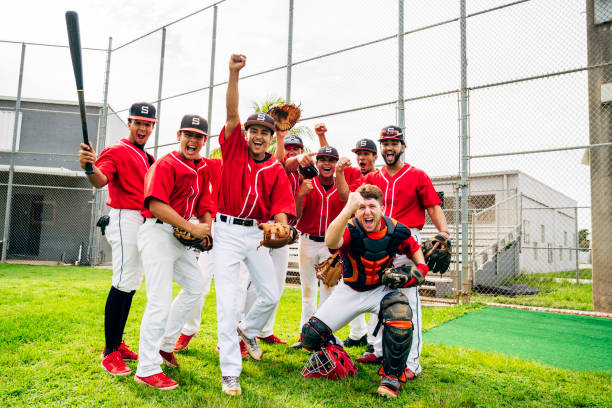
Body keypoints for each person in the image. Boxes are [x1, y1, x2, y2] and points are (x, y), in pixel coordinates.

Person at [214, 54, 296, 396]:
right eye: (254, 130)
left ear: (270, 135)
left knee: (270, 293)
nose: (259, 135)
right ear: (246, 135)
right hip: (226, 232)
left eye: (265, 131)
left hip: (254, 234)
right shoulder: (234, 151)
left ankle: (248, 331)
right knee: (227, 302)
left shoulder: (275, 170)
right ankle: (230, 372)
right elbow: (232, 113)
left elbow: (280, 210)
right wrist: (233, 74)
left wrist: (281, 227)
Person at [299, 184, 429, 398]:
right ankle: (338, 351)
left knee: (400, 315)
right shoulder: (350, 228)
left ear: (382, 208)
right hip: (350, 290)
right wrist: (348, 207)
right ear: (355, 210)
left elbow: (414, 249)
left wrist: (421, 268)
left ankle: (391, 378)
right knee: (310, 337)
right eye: (361, 207)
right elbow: (331, 241)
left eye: (372, 206)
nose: (367, 212)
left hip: (381, 289)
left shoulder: (396, 229)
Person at [358, 125, 450, 382]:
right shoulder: (373, 178)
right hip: (376, 237)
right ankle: (376, 349)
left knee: (408, 300)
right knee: (376, 294)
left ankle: (412, 362)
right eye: (385, 143)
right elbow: (356, 203)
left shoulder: (417, 175)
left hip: (407, 237)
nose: (389, 147)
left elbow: (432, 207)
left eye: (394, 143)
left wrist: (444, 232)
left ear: (402, 147)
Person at [133, 114, 215, 390]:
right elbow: (156, 205)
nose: (193, 140)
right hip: (157, 231)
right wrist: (192, 229)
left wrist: (207, 229)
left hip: (178, 234)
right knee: (159, 299)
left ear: (204, 140)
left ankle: (165, 345)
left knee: (196, 285)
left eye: (198, 136)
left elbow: (205, 204)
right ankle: (146, 368)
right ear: (178, 135)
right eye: (188, 134)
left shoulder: (202, 167)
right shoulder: (166, 163)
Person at [78, 102, 157, 377]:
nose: (143, 128)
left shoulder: (148, 158)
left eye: (148, 124)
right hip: (125, 217)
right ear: (130, 124)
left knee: (132, 283)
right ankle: (109, 352)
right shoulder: (117, 149)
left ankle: (118, 343)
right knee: (123, 282)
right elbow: (100, 180)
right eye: (138, 122)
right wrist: (89, 167)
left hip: (143, 221)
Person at [290, 145, 363, 349]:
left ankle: (322, 335)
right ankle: (304, 335)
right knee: (307, 292)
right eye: (322, 159)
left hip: (331, 245)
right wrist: (301, 194)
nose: (327, 163)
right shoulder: (308, 183)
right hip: (308, 241)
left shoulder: (342, 184)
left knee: (328, 291)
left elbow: (344, 198)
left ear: (336, 163)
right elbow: (296, 217)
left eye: (331, 160)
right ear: (317, 163)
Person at [344, 138, 379, 348]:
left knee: (377, 288)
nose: (361, 157)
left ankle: (374, 341)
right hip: (356, 237)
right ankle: (358, 334)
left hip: (377, 239)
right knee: (352, 285)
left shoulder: (380, 177)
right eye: (359, 153)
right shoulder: (354, 175)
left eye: (366, 153)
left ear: (375, 157)